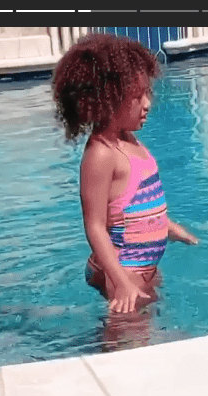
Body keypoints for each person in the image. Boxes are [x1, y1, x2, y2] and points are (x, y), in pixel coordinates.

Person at [53, 33, 198, 317]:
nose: (147, 104)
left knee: (151, 326)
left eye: (148, 93)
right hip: (122, 267)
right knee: (129, 344)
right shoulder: (101, 153)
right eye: (136, 96)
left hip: (143, 266)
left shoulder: (129, 140)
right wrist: (120, 282)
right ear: (106, 99)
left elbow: (131, 203)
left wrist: (167, 227)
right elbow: (95, 226)